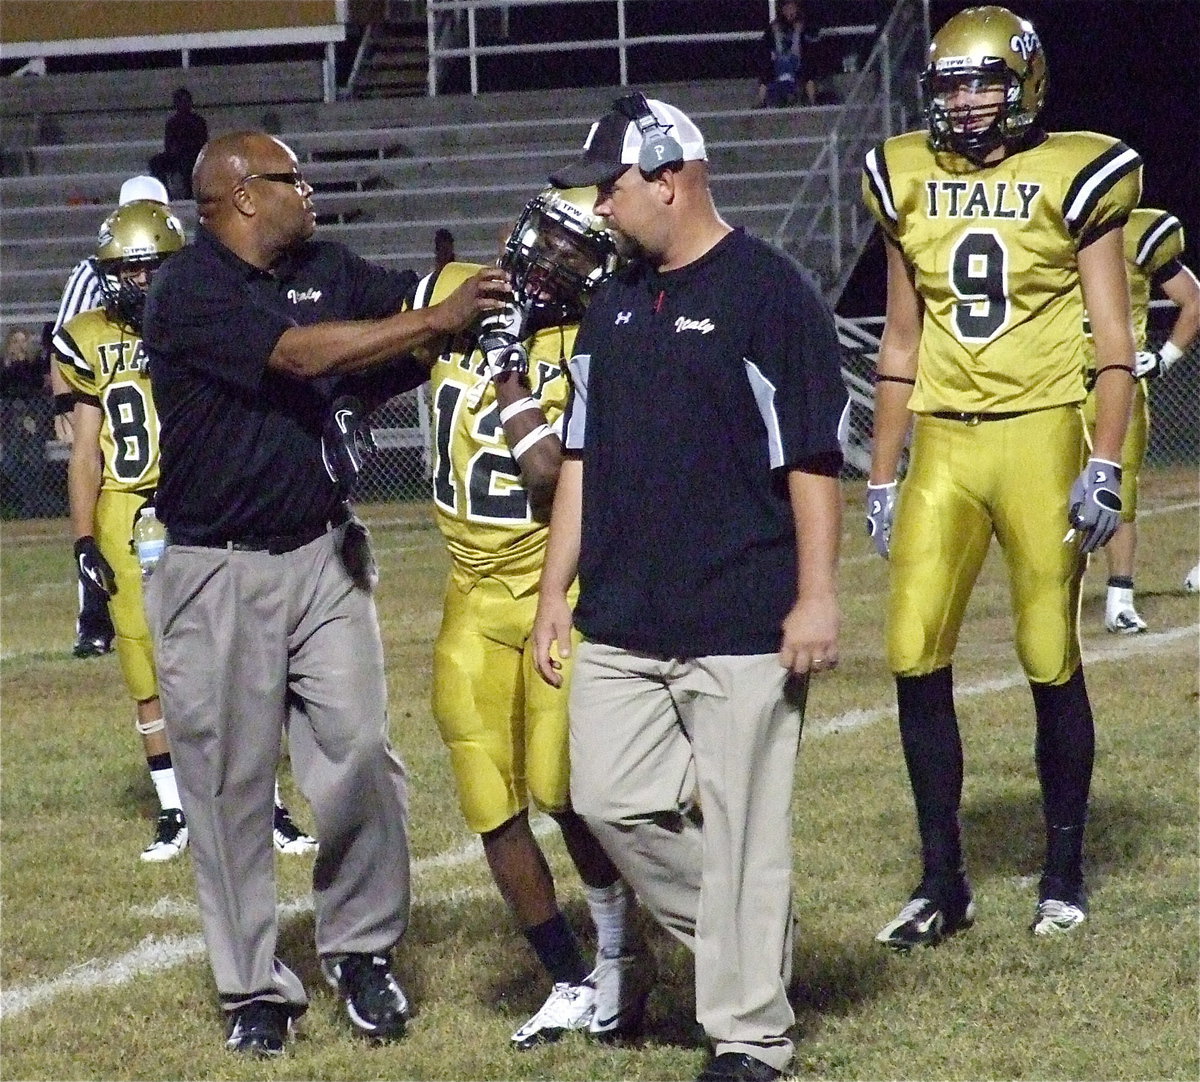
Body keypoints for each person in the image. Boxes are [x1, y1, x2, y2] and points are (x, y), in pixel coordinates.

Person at [141, 130, 510, 1057]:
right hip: (214, 567)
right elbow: (301, 358)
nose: (307, 193)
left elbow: (417, 302)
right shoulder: (189, 290)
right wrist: (432, 324)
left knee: (360, 756)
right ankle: (252, 988)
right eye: (290, 179)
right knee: (227, 787)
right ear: (239, 196)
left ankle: (359, 948)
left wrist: (492, 288)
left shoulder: (326, 266)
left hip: (324, 555)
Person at [532, 93, 847, 1082]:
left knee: (746, 821)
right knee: (609, 798)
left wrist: (818, 592)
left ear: (669, 178)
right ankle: (747, 945)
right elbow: (580, 452)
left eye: (610, 186)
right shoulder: (611, 299)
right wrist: (554, 590)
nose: (599, 207)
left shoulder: (770, 292)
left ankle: (750, 1033)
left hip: (742, 614)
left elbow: (809, 457)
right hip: (622, 615)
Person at [860, 5, 1142, 947]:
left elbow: (1114, 342)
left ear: (1025, 84)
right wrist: (881, 469)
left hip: (1039, 431)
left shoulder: (1076, 171)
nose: (969, 104)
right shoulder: (905, 174)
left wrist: (1103, 461)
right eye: (953, 87)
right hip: (942, 434)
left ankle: (1062, 872)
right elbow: (901, 339)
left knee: (1045, 651)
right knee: (910, 649)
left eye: (985, 83)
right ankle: (943, 882)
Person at [407, 186, 644, 1049]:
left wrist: (506, 370)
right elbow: (389, 348)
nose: (548, 263)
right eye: (545, 238)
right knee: (487, 799)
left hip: (557, 592)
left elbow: (548, 473)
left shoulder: (604, 338)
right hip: (467, 594)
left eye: (575, 253)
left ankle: (621, 953)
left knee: (561, 789)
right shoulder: (462, 289)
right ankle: (569, 975)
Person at [53, 200, 317, 863]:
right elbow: (85, 452)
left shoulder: (203, 318)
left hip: (197, 496)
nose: (141, 284)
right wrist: (84, 541)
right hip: (125, 507)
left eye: (152, 269)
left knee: (235, 662)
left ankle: (267, 805)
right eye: (128, 271)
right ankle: (176, 810)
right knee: (145, 667)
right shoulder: (89, 334)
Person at [53, 174, 168, 660]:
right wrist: (67, 402)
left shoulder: (195, 294)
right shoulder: (90, 291)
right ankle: (93, 619)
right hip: (123, 464)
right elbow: (67, 343)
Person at [1081, 207, 1200, 634]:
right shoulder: (1037, 222)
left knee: (1118, 492)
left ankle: (1120, 599)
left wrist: (1164, 358)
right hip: (1052, 384)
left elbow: (1193, 299)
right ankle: (1053, 594)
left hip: (1117, 382)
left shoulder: (1138, 232)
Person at [756, 0, 819, 109]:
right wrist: (771, 53)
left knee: (808, 72)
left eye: (792, 8)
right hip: (779, 61)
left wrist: (800, 32)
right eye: (787, 9)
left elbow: (814, 38)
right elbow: (765, 44)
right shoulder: (776, 25)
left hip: (799, 60)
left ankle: (813, 102)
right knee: (765, 73)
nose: (790, 12)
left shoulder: (805, 23)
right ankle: (761, 102)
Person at [148, 87, 208, 200]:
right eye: (180, 102)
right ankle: (165, 192)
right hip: (176, 156)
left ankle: (190, 192)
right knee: (155, 163)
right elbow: (169, 144)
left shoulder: (198, 122)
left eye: (185, 101)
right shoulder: (172, 123)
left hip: (194, 156)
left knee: (187, 162)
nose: (183, 105)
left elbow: (202, 144)